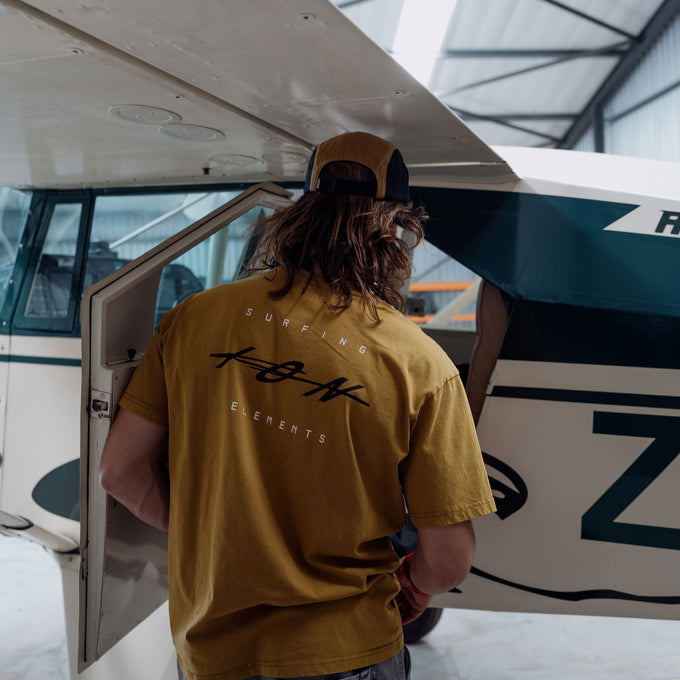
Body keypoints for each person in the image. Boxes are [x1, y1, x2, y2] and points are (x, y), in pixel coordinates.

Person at [99, 131, 496, 680]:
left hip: (215, 653)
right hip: (347, 648)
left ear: (298, 214)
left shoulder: (194, 318)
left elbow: (119, 472)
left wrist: (211, 541)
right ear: (398, 234)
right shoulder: (421, 364)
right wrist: (415, 585)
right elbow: (449, 559)